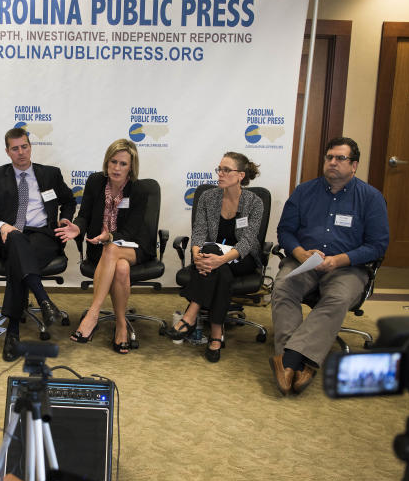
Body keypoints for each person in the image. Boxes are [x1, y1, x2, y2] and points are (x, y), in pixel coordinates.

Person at [269, 136, 389, 396]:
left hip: (348, 266)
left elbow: (378, 245)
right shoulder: (304, 191)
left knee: (338, 297)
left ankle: (290, 360)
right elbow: (286, 231)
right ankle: (302, 360)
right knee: (283, 286)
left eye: (340, 158)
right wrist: (300, 254)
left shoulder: (371, 198)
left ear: (354, 165)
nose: (333, 163)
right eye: (329, 157)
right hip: (305, 261)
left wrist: (340, 259)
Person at [0, 127, 76, 362]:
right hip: (9, 236)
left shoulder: (50, 174)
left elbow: (69, 200)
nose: (21, 152)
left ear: (31, 147)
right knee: (16, 243)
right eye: (15, 149)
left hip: (43, 236)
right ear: (7, 151)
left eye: (24, 147)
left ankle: (12, 334)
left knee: (18, 262)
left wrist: (65, 219)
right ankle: (44, 299)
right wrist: (3, 226)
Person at [56, 139, 154, 354]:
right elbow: (84, 216)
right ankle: (121, 326)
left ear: (131, 167)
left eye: (123, 164)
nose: (116, 168)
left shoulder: (139, 190)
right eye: (113, 162)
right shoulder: (95, 182)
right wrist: (78, 229)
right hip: (100, 249)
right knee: (121, 268)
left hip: (134, 246)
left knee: (112, 249)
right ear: (107, 162)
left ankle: (93, 314)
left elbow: (132, 231)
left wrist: (109, 236)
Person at [164, 152, 263, 362]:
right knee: (218, 267)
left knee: (218, 260)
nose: (220, 174)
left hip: (241, 258)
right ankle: (216, 333)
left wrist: (219, 259)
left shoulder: (255, 202)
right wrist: (196, 255)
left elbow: (247, 242)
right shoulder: (208, 198)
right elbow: (198, 232)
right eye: (219, 169)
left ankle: (191, 314)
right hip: (211, 258)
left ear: (240, 175)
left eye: (226, 170)